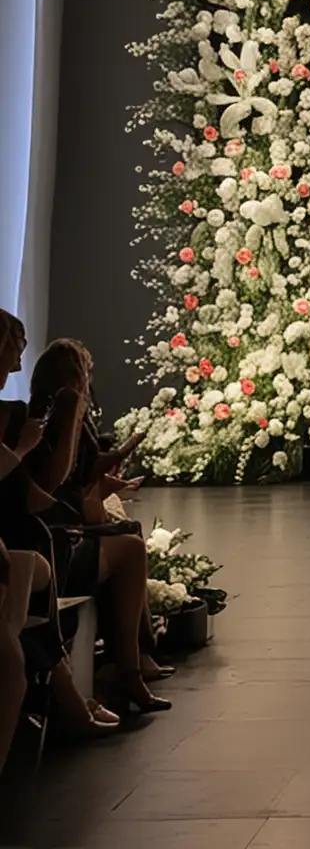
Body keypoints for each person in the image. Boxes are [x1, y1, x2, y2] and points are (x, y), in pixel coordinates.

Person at [23, 338, 171, 713]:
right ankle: (128, 667)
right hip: (52, 541)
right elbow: (56, 483)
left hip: (60, 529)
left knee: (129, 535)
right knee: (131, 545)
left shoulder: (59, 417)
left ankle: (132, 659)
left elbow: (81, 476)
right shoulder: (44, 420)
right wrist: (73, 415)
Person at [0, 311, 121, 739]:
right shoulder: (25, 419)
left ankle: (72, 691)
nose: (17, 365)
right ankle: (71, 695)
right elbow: (43, 486)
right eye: (14, 351)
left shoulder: (19, 415)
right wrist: (26, 447)